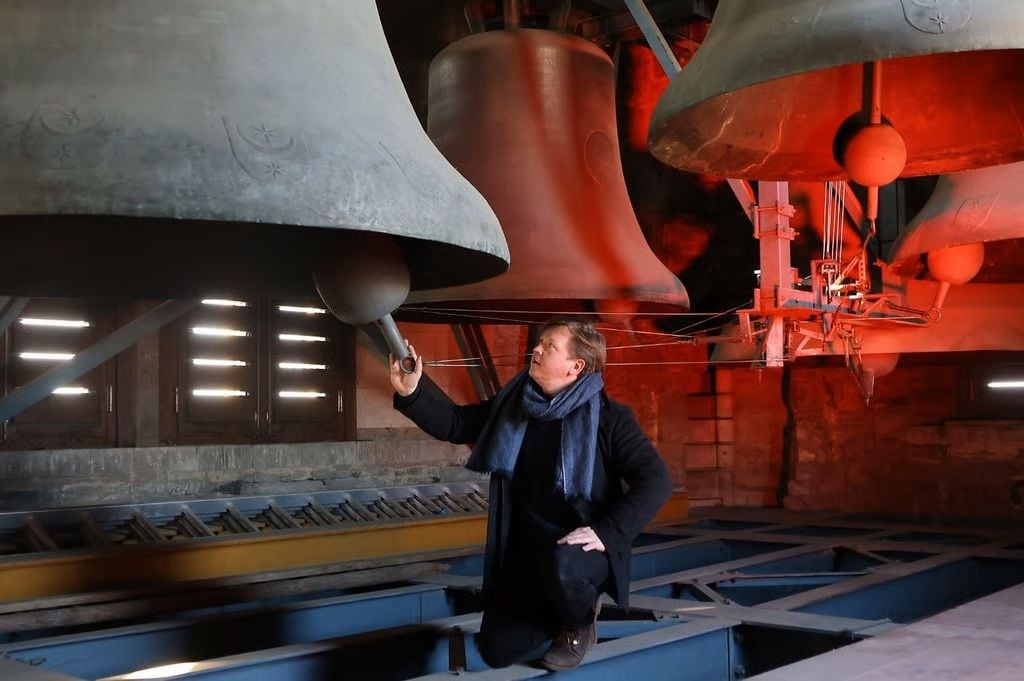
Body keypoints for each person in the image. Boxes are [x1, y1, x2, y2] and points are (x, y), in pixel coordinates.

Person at [391, 317, 671, 671]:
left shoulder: (609, 419)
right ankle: (555, 610)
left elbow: (656, 480)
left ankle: (579, 620)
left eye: (549, 346)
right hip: (528, 553)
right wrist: (411, 393)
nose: (535, 349)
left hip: (580, 551)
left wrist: (607, 533)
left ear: (575, 366)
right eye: (539, 343)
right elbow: (457, 424)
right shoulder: (515, 406)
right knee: (498, 650)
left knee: (565, 568)